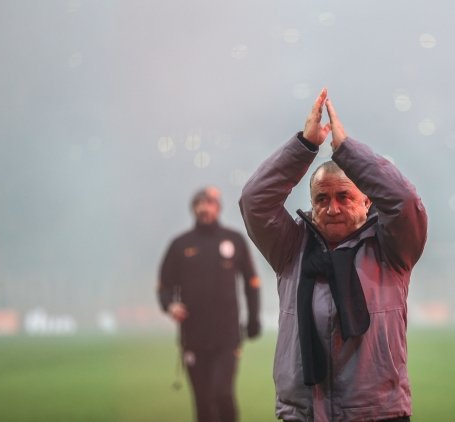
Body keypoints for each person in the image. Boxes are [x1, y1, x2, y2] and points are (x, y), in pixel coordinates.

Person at [239, 88, 428, 421]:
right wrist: (304, 147)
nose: (332, 207)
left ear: (368, 200)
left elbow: (405, 203)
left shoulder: (390, 248)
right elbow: (255, 201)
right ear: (312, 205)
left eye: (344, 196)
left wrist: (347, 152)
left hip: (375, 412)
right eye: (321, 199)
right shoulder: (291, 247)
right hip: (304, 412)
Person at [158, 186, 261, 422]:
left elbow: (251, 282)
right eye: (200, 203)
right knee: (203, 402)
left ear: (218, 207)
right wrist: (170, 305)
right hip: (193, 336)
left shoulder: (234, 240)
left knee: (222, 393)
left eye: (210, 203)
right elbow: (164, 285)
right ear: (193, 208)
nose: (205, 208)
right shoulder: (180, 245)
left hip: (227, 335)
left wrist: (253, 319)